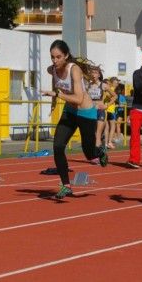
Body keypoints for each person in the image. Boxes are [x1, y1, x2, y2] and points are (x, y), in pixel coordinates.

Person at [41, 39, 108, 199]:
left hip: (85, 112)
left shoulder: (74, 69)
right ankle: (66, 185)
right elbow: (55, 84)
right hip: (70, 112)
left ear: (66, 56)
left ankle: (101, 152)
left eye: (58, 57)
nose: (55, 61)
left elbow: (78, 99)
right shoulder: (52, 70)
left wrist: (57, 95)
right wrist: (53, 102)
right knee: (57, 146)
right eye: (52, 57)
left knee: (89, 154)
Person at [106, 77, 119, 148]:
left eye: (117, 82)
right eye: (116, 82)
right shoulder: (111, 89)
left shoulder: (108, 89)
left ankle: (107, 142)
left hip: (107, 109)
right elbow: (113, 97)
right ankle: (109, 142)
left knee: (107, 127)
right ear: (112, 83)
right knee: (112, 126)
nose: (117, 84)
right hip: (110, 110)